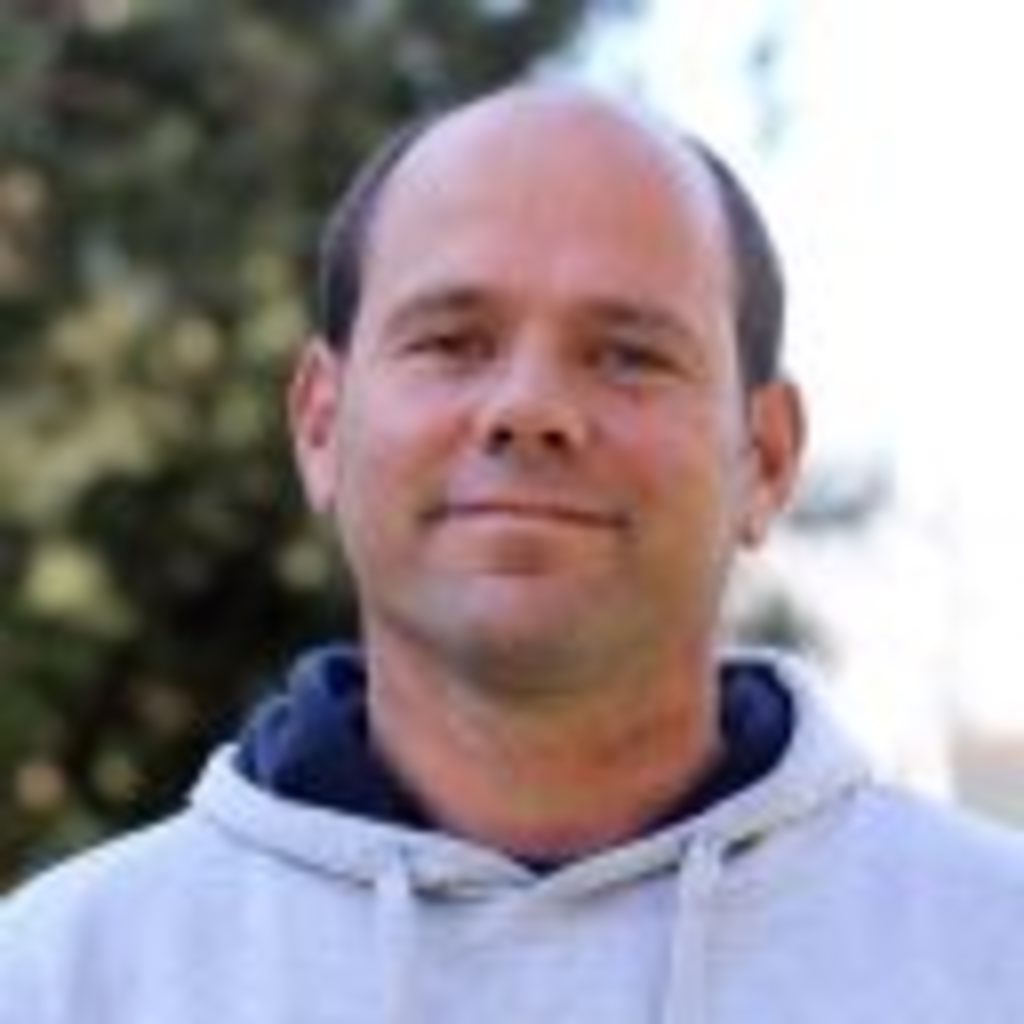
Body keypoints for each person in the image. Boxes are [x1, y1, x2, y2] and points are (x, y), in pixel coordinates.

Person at [2, 81, 1023, 1024]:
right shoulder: (60, 978)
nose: (529, 408)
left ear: (765, 455)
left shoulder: (994, 953)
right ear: (319, 424)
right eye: (451, 341)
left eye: (628, 355)